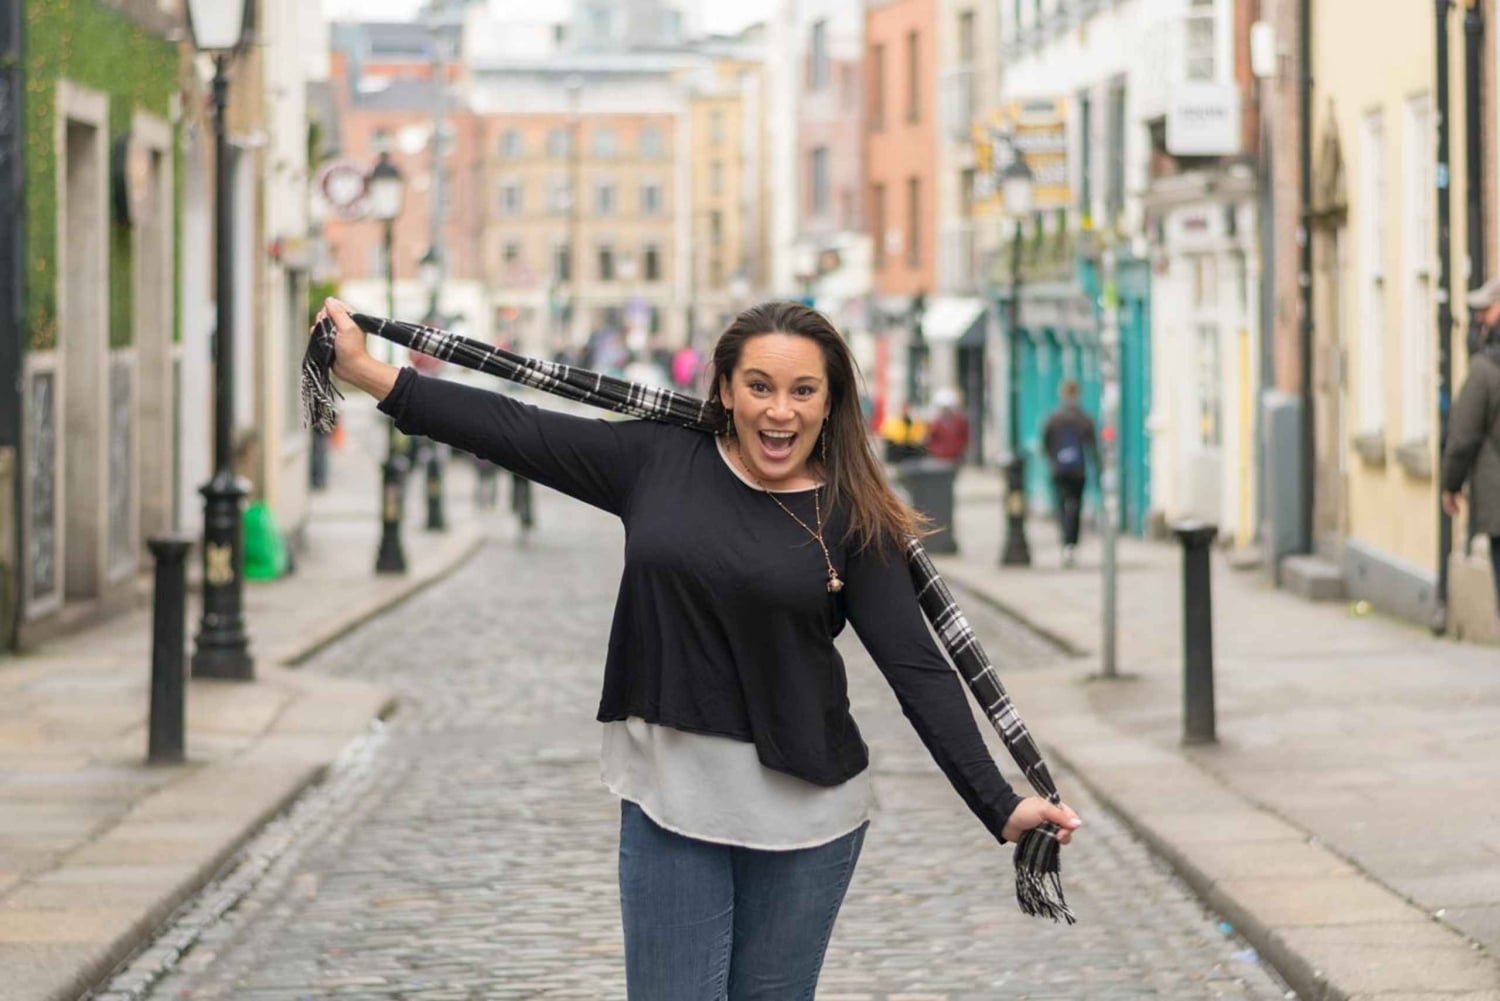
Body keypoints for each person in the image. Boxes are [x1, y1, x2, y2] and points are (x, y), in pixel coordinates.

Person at [315, 297, 1080, 999]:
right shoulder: (657, 462)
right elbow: (518, 429)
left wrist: (1002, 801)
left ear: (831, 401)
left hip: (809, 819)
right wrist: (368, 372)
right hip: (671, 801)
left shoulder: (851, 514)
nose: (780, 411)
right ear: (724, 389)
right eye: (759, 386)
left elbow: (917, 668)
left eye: (803, 391)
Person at [1441, 277, 1500, 615]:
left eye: (1486, 311)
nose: (1479, 319)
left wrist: (1451, 485)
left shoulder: (1485, 370)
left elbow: (1463, 436)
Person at [1042, 381, 1099, 568]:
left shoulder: (1053, 418)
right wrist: (1098, 470)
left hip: (1059, 470)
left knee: (1061, 506)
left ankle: (1065, 542)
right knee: (1076, 507)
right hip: (1078, 472)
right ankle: (1072, 544)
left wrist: (1052, 461)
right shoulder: (1084, 419)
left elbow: (1045, 443)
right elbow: (1092, 447)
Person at [925, 388, 971, 463]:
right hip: (939, 456)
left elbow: (965, 437)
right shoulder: (936, 422)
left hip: (954, 456)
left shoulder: (959, 421)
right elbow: (929, 437)